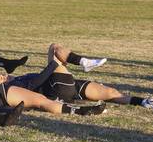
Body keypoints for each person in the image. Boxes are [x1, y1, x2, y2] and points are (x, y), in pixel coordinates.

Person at [9, 44, 152, 109]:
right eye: (0, 76)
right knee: (55, 48)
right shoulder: (14, 86)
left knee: (111, 93)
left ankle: (143, 102)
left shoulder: (15, 80)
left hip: (70, 88)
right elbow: (35, 83)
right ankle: (85, 62)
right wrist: (54, 64)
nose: (3, 75)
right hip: (55, 90)